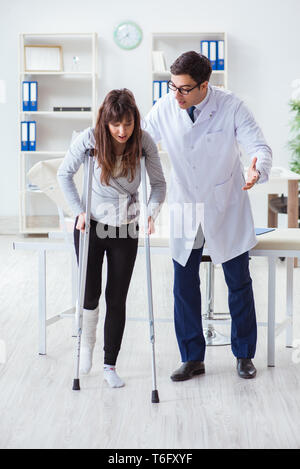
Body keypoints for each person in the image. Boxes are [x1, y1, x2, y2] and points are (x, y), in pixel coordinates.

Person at [145, 51, 272, 381]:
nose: (176, 95)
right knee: (184, 285)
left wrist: (257, 169)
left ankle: (244, 354)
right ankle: (192, 358)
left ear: (205, 85)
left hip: (225, 204)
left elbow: (259, 147)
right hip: (186, 204)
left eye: (184, 89)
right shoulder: (165, 106)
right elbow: (140, 142)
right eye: (172, 86)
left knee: (238, 282)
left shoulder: (231, 106)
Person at [57, 89, 166, 388]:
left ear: (135, 121)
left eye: (128, 124)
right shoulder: (90, 140)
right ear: (106, 121)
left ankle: (110, 364)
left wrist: (151, 213)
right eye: (116, 124)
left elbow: (158, 184)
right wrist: (78, 211)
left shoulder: (143, 142)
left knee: (116, 298)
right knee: (89, 293)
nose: (121, 131)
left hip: (126, 227)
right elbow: (64, 174)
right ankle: (86, 346)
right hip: (91, 225)